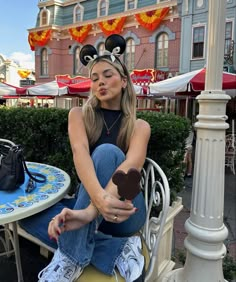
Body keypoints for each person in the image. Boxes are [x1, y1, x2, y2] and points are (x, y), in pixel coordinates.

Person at [19, 34, 150, 282]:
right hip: (92, 207)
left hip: (124, 211)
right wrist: (92, 205)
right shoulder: (78, 115)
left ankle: (71, 257)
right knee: (28, 214)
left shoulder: (139, 126)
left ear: (124, 81)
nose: (100, 82)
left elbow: (131, 166)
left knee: (106, 153)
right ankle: (118, 249)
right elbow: (80, 154)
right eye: (94, 78)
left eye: (107, 75)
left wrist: (91, 211)